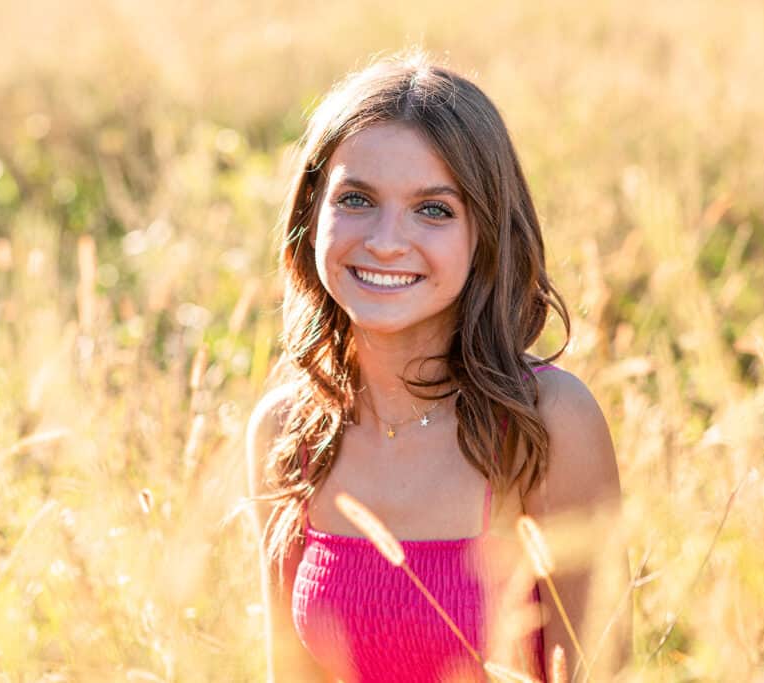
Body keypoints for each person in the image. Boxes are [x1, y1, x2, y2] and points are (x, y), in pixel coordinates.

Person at [245, 50, 629, 682]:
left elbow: (598, 673)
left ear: (486, 233)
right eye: (357, 198)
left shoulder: (546, 423)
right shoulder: (289, 432)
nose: (387, 240)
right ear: (312, 213)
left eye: (434, 209)